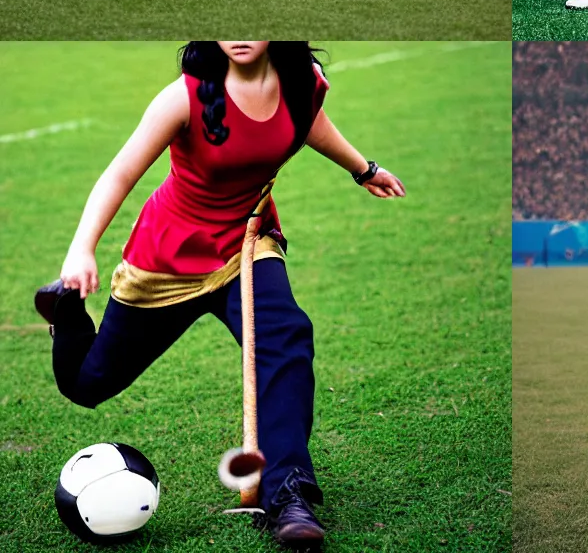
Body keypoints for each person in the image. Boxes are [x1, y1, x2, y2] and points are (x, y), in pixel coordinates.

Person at [34, 42, 407, 550]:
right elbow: (120, 172)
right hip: (168, 258)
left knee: (286, 334)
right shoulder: (183, 98)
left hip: (246, 244)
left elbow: (308, 121)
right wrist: (81, 251)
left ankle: (287, 493)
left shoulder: (303, 82)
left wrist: (363, 168)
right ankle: (65, 313)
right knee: (87, 383)